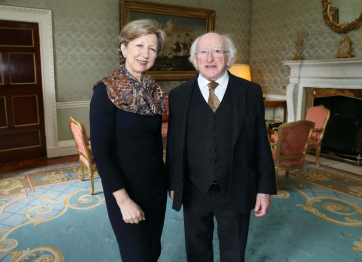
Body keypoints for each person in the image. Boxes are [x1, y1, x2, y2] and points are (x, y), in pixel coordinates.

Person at [166, 32, 277, 262]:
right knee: (196, 251)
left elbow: (260, 143)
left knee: (234, 252)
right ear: (195, 59)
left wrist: (264, 188)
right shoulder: (178, 95)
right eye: (203, 52)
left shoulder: (251, 92)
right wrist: (173, 182)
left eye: (217, 51)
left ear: (229, 58)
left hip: (237, 187)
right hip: (194, 188)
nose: (209, 58)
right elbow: (174, 145)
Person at [90, 19, 167, 262]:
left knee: (153, 250)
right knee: (137, 256)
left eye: (152, 48)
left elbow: (155, 143)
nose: (145, 54)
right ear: (123, 48)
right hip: (125, 191)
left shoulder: (155, 92)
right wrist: (123, 201)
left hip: (155, 188)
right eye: (139, 45)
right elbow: (101, 153)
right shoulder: (105, 92)